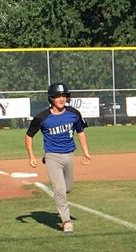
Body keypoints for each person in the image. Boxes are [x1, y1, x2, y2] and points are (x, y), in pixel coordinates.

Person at [25, 83, 91, 234]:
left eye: (63, 96)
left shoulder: (73, 113)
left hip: (69, 154)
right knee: (60, 189)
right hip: (52, 156)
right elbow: (29, 135)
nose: (61, 99)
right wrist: (31, 156)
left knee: (68, 187)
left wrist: (86, 152)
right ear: (51, 98)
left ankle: (63, 205)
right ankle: (66, 222)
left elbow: (80, 131)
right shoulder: (42, 117)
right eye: (57, 96)